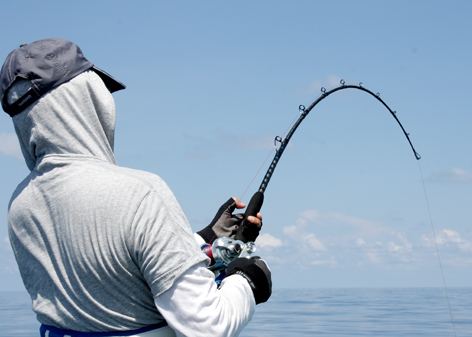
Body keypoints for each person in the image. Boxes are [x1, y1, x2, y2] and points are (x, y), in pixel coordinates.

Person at [0, 38, 272, 337]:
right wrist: (247, 280)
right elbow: (207, 326)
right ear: (86, 101)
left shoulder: (19, 206)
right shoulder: (141, 193)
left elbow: (111, 272)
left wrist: (206, 238)